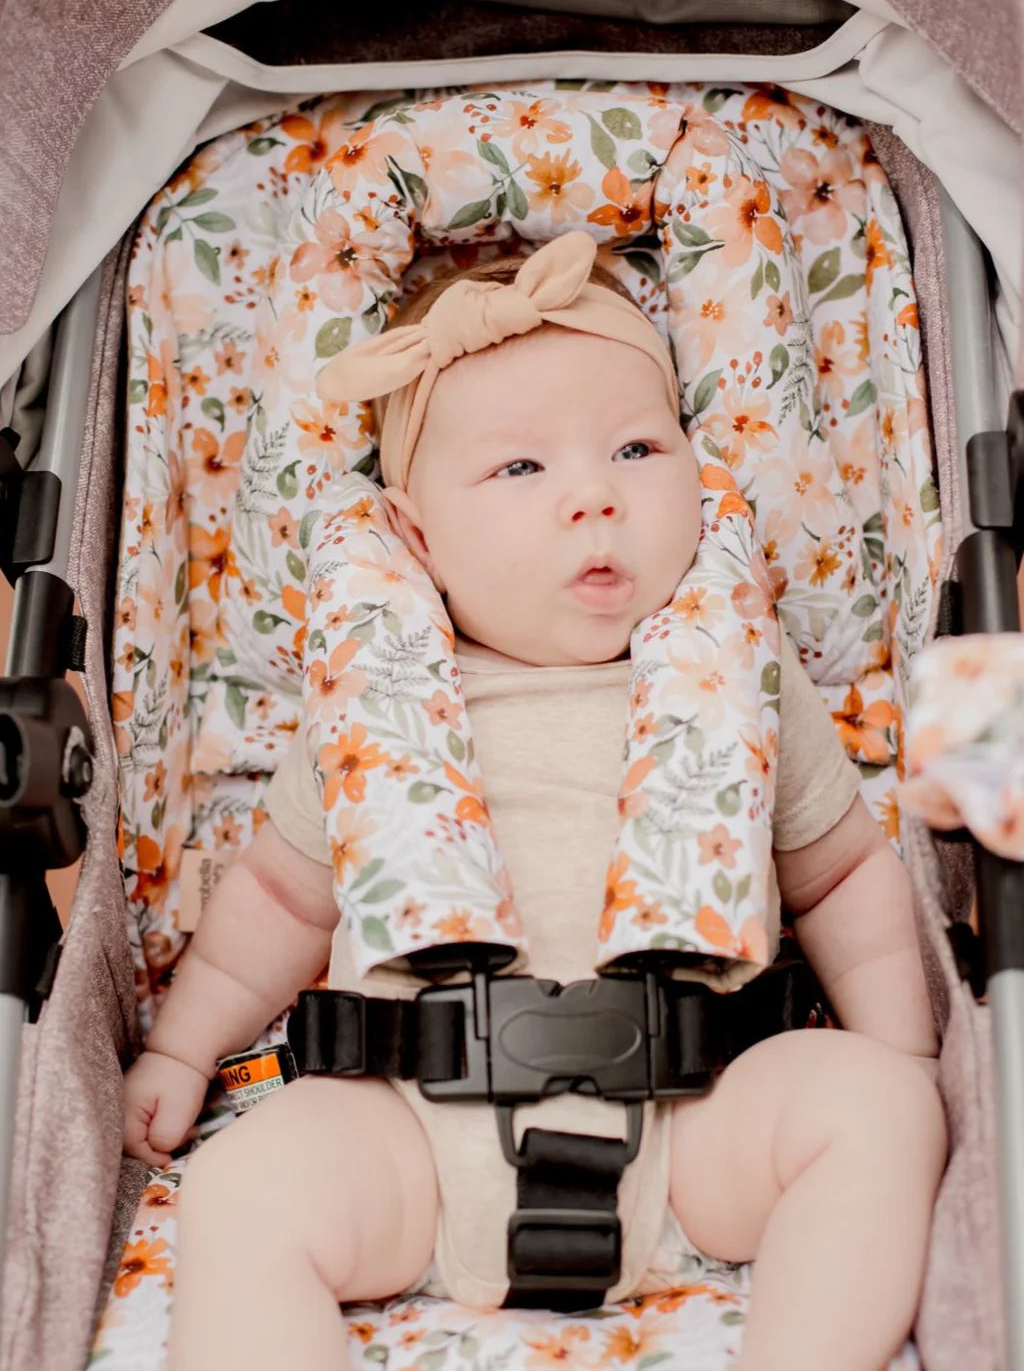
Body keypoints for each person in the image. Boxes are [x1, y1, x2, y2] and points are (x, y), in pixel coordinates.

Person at [123, 231, 946, 1371]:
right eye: (520, 469)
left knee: (878, 1114)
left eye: (636, 449)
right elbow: (275, 899)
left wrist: (907, 1059)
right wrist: (177, 1054)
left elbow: (845, 876)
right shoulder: (377, 702)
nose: (593, 497)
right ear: (417, 535)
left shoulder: (739, 678)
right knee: (245, 1185)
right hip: (413, 1134)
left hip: (702, 1121)